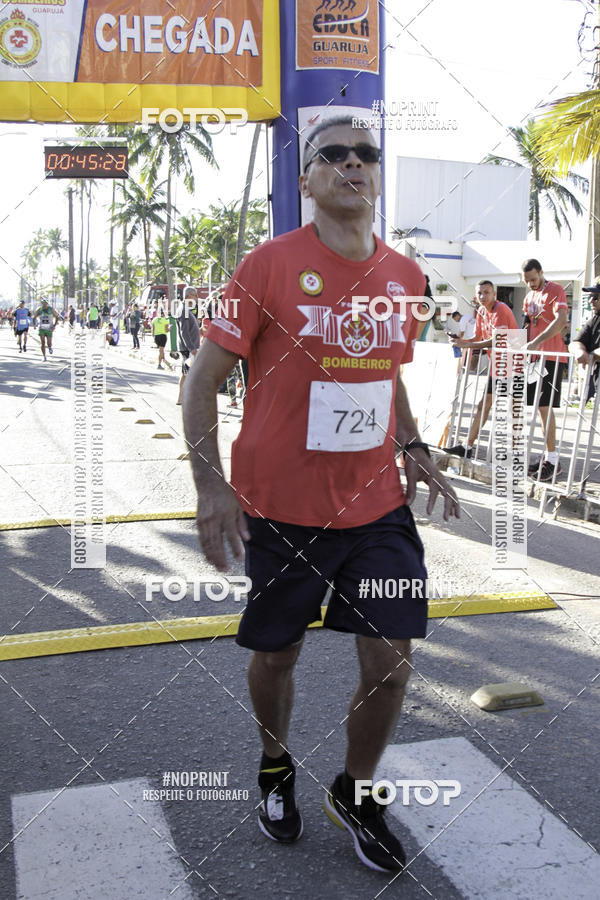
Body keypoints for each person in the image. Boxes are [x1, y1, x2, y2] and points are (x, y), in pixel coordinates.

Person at [183, 115, 460, 873]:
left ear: (377, 175)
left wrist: (411, 445)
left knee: (393, 664)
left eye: (366, 154)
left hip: (375, 508)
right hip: (279, 510)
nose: (352, 163)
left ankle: (356, 791)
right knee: (277, 656)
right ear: (305, 181)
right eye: (331, 154)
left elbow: (389, 374)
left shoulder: (404, 277)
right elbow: (202, 379)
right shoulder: (267, 266)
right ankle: (275, 765)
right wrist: (213, 487)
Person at [444, 280, 518, 458]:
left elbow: (496, 340)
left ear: (494, 294)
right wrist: (459, 341)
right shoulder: (481, 312)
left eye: (486, 292)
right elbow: (477, 336)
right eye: (480, 293)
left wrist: (466, 345)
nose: (483, 296)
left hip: (513, 362)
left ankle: (515, 452)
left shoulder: (501, 309)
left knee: (512, 409)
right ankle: (467, 447)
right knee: (484, 405)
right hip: (498, 363)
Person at [521, 259, 569, 481]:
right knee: (539, 409)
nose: (530, 283)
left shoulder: (555, 289)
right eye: (526, 280)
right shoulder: (529, 296)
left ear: (541, 272)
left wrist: (537, 342)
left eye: (533, 278)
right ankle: (548, 457)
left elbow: (561, 321)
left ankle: (553, 460)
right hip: (534, 359)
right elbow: (526, 325)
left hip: (552, 357)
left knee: (546, 407)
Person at [568, 279, 600, 400]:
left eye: (595, 297)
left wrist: (593, 355)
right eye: (590, 296)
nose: (591, 301)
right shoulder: (595, 320)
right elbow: (575, 342)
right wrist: (580, 351)